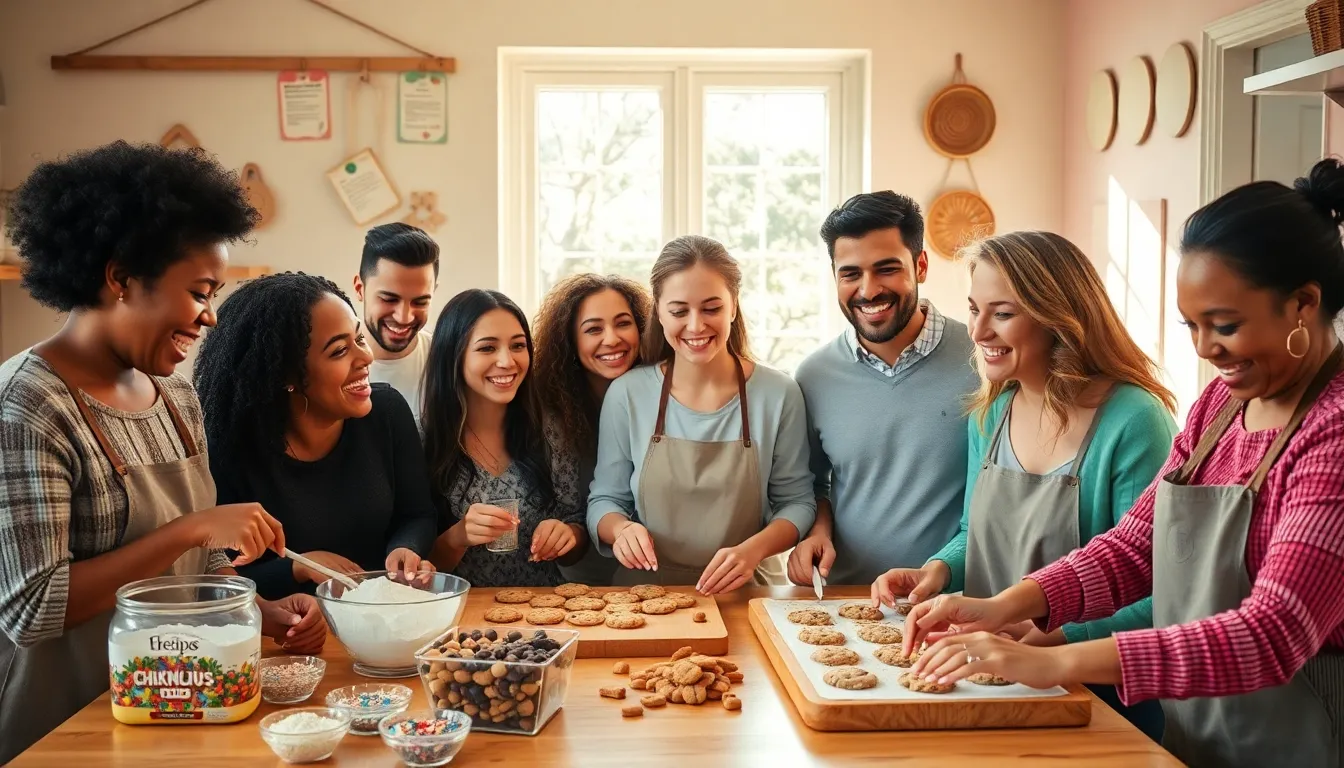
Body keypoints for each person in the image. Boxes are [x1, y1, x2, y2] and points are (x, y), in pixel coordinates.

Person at [901, 159, 1344, 768]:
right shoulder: (1221, 406)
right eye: (1192, 326)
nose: (1205, 350)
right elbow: (1137, 547)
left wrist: (1055, 657)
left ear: (1303, 304)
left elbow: (1271, 634)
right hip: (1202, 734)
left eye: (1225, 326)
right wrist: (1003, 606)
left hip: (1306, 740)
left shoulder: (1334, 433)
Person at [0, 142, 325, 763]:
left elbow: (190, 575)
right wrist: (194, 526)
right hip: (63, 725)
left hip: (174, 704)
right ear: (120, 277)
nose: (209, 318)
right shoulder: (30, 405)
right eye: (200, 291)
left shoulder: (175, 396)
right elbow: (32, 608)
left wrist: (261, 609)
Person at [870, 230, 1176, 740]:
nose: (978, 331)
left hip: (1096, 700)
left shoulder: (1133, 420)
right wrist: (939, 569)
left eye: (1003, 313)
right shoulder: (991, 412)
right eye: (973, 309)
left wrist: (1049, 637)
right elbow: (977, 530)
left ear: (1059, 317)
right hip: (985, 686)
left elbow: (1155, 592)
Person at [587, 235, 816, 591]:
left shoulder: (779, 394)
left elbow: (798, 503)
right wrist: (621, 528)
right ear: (659, 311)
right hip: (644, 594)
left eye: (711, 308)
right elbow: (604, 499)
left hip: (748, 593)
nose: (696, 326)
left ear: (734, 306)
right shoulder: (628, 394)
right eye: (679, 311)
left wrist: (753, 550)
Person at [195, 272, 437, 600]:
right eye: (339, 351)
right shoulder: (231, 452)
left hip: (379, 622)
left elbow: (417, 514)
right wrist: (300, 566)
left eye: (359, 339)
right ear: (287, 375)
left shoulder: (387, 413)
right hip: (285, 634)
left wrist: (405, 548)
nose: (366, 357)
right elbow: (220, 579)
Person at [787, 191, 978, 588]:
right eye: (851, 273)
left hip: (953, 605)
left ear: (920, 265)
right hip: (844, 603)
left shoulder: (983, 363)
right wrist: (816, 531)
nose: (868, 290)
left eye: (887, 269)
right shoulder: (813, 375)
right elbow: (810, 483)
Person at [423, 289, 588, 585]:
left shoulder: (550, 430)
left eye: (518, 346)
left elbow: (576, 527)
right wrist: (458, 536)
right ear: (453, 355)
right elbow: (416, 566)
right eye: (487, 348)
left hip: (544, 616)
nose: (507, 361)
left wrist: (567, 535)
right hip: (462, 618)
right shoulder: (423, 440)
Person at [532, 273, 653, 586]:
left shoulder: (664, 396)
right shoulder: (547, 411)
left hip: (655, 572)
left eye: (623, 323)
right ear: (570, 340)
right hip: (576, 581)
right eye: (593, 329)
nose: (611, 339)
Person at [352, 222, 438, 428]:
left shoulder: (445, 360)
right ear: (359, 289)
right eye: (389, 299)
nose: (404, 317)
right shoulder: (330, 365)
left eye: (420, 302)